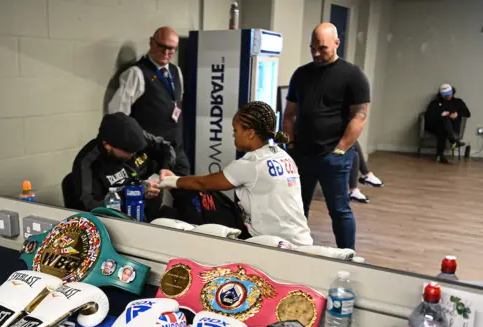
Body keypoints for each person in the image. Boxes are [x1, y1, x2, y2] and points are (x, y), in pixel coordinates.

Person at [159, 101, 313, 247]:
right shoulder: (283, 156)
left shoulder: (252, 163)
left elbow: (203, 183)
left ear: (250, 133)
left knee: (204, 197)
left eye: (236, 130)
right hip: (302, 239)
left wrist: (168, 181)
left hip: (275, 245)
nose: (233, 135)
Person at [283, 23, 370, 250]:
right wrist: (290, 144)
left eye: (322, 48)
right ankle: (296, 250)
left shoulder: (353, 75)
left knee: (339, 210)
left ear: (336, 43)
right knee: (297, 208)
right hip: (302, 154)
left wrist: (340, 149)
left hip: (334, 156)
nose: (317, 54)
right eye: (313, 48)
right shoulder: (301, 74)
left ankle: (348, 256)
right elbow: (290, 114)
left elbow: (360, 116)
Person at [108, 27, 188, 171]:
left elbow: (177, 101)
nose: (166, 52)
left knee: (188, 189)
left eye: (171, 49)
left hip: (175, 148)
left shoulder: (176, 72)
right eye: (161, 46)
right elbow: (117, 115)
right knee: (153, 192)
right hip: (149, 152)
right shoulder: (136, 73)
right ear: (152, 42)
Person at [70, 112, 176, 220]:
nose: (133, 154)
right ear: (107, 145)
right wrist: (132, 192)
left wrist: (166, 168)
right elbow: (90, 205)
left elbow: (165, 147)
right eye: (128, 151)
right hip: (119, 222)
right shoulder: (87, 163)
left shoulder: (138, 138)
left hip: (151, 213)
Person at [424, 83, 471, 164]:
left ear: (452, 92)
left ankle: (439, 155)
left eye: (449, 94)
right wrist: (440, 115)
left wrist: (457, 114)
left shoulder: (458, 102)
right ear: (441, 95)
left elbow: (467, 113)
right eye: (445, 95)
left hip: (451, 126)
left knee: (443, 129)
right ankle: (453, 142)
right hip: (435, 125)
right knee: (444, 119)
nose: (448, 96)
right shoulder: (435, 103)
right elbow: (428, 115)